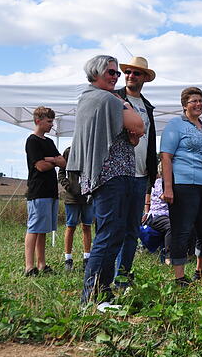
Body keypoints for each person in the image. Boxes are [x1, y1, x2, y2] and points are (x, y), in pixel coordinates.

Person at [67, 55, 144, 306]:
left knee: (113, 233)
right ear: (96, 73)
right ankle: (91, 296)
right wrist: (125, 105)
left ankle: (103, 291)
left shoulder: (101, 99)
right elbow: (138, 126)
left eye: (116, 74)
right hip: (109, 175)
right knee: (108, 233)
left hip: (116, 174)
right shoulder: (103, 98)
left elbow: (132, 135)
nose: (115, 77)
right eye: (111, 72)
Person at [160, 87, 202, 286]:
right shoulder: (175, 125)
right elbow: (166, 157)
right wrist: (167, 187)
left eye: (201, 101)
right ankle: (179, 276)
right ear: (184, 105)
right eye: (193, 101)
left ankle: (201, 270)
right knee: (182, 230)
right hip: (184, 184)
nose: (198, 104)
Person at [114, 56, 157, 287]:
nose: (131, 76)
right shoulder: (114, 98)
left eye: (136, 73)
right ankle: (108, 278)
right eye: (128, 72)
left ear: (144, 78)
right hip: (118, 174)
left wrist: (152, 174)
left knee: (132, 230)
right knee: (114, 229)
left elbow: (150, 142)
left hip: (140, 175)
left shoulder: (147, 106)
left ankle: (123, 274)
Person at [24, 106, 65, 276]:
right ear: (38, 121)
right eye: (49, 121)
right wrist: (53, 161)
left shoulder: (49, 142)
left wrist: (51, 160)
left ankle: (42, 264)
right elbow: (40, 166)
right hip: (38, 191)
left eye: (52, 121)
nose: (51, 125)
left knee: (43, 229)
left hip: (50, 191)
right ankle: (29, 266)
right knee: (34, 228)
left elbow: (63, 162)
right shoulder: (32, 141)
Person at [58, 146, 93, 272]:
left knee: (87, 226)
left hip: (88, 197)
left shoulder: (91, 151)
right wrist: (69, 187)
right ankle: (68, 259)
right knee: (71, 226)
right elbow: (61, 173)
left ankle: (87, 258)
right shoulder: (68, 151)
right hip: (72, 198)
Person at [142, 160, 171, 262]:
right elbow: (165, 197)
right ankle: (169, 257)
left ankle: (187, 254)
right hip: (157, 216)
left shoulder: (172, 183)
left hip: (168, 215)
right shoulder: (158, 183)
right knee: (170, 226)